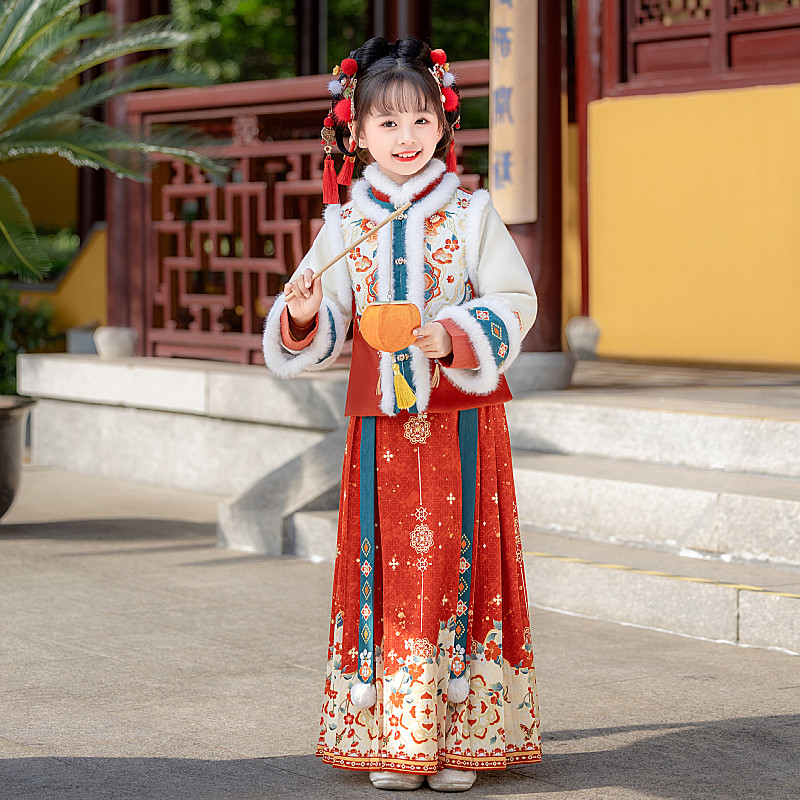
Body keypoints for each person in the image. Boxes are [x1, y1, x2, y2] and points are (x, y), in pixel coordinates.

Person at [262, 35, 541, 793]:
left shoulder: (472, 212)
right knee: (383, 565)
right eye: (387, 123)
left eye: (420, 120)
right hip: (380, 426)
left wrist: (453, 334)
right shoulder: (343, 224)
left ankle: (463, 739)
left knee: (460, 559)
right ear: (356, 133)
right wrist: (305, 310)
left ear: (443, 126)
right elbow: (315, 321)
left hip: (461, 417)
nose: (406, 136)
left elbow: (515, 299)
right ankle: (396, 736)